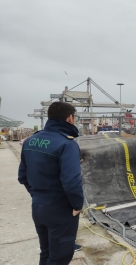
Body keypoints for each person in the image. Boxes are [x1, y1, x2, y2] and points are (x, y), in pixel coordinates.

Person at [18, 101, 84, 264]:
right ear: (70, 118)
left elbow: (22, 176)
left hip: (38, 207)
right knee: (60, 257)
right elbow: (71, 181)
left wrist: (38, 195)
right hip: (60, 210)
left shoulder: (30, 141)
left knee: (46, 252)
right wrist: (77, 205)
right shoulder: (67, 144)